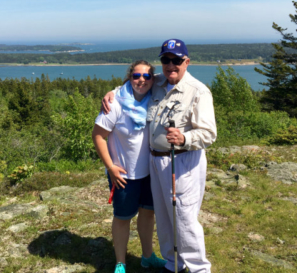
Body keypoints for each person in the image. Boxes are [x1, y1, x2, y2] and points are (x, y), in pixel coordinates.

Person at [102, 39, 217, 273]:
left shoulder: (198, 91)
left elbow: (208, 133)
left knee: (183, 217)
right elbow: (136, 83)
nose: (171, 65)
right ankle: (173, 263)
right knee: (163, 215)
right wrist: (111, 93)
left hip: (182, 161)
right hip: (155, 161)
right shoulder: (159, 83)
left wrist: (185, 138)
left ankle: (198, 268)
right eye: (166, 60)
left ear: (187, 62)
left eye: (176, 60)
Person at [92, 60, 167, 273]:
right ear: (129, 77)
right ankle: (121, 263)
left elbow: (171, 79)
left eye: (146, 76)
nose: (141, 80)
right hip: (123, 174)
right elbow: (98, 136)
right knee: (122, 218)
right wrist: (111, 168)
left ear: (153, 79)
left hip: (150, 172)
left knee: (148, 214)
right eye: (136, 76)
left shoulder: (154, 99)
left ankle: (147, 257)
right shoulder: (115, 103)